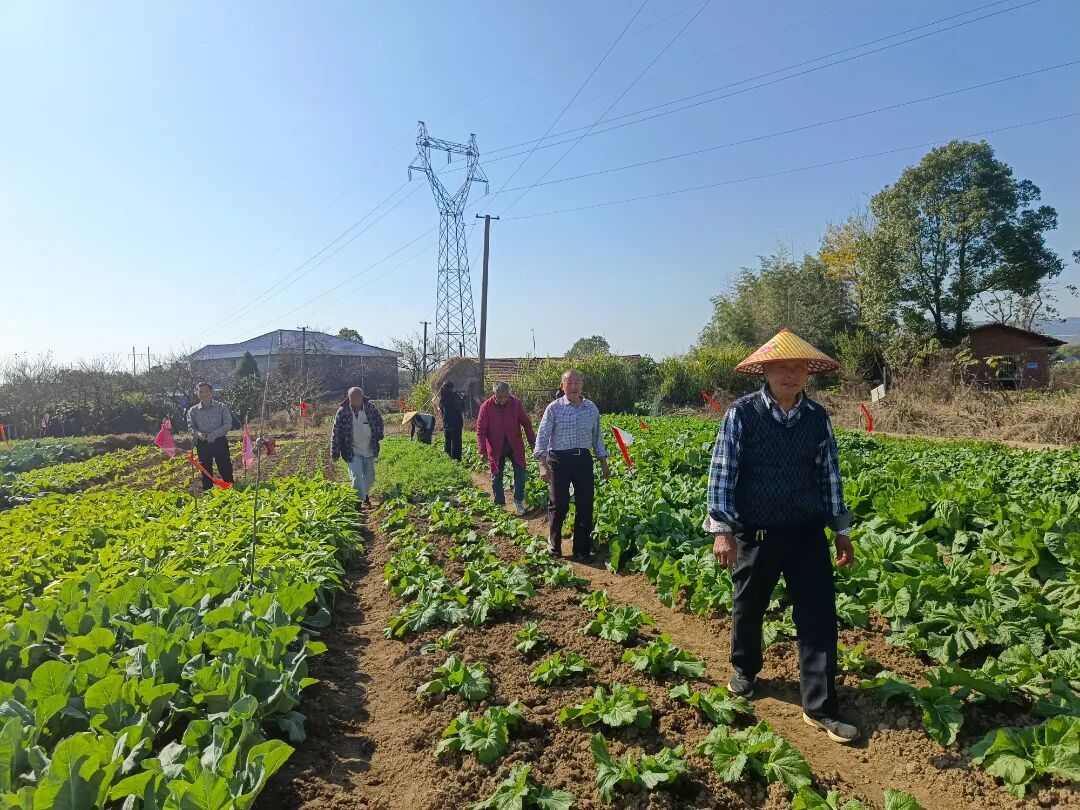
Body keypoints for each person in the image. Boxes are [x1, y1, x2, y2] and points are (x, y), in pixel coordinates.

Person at [704, 328, 858, 745]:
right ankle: (745, 669)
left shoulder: (817, 417)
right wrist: (722, 530)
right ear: (766, 372)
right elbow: (723, 472)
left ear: (808, 373)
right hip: (757, 532)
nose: (791, 374)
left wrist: (841, 530)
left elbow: (830, 475)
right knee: (749, 604)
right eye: (782, 367)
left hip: (807, 531)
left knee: (818, 616)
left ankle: (820, 706)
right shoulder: (741, 414)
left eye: (798, 367)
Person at [534, 369, 610, 563]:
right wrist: (542, 464)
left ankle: (581, 550)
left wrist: (603, 461)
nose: (574, 386)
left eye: (577, 383)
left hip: (583, 459)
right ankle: (554, 544)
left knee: (585, 504)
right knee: (559, 504)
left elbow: (597, 437)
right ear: (562, 386)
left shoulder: (591, 408)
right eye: (569, 383)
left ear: (582, 385)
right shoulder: (554, 408)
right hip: (559, 460)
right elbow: (542, 436)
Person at [476, 382, 536, 516]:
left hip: (514, 444)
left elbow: (526, 423)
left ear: (509, 395)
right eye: (499, 396)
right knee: (497, 475)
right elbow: (481, 430)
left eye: (505, 396)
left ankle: (518, 501)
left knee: (520, 473)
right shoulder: (486, 407)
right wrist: (482, 450)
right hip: (496, 446)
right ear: (494, 395)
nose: (502, 399)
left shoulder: (516, 404)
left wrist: (532, 442)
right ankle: (500, 504)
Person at [331, 386, 385, 507]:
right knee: (356, 475)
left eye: (357, 397)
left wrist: (379, 433)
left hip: (369, 448)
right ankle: (358, 501)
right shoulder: (343, 411)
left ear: (362, 397)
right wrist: (335, 451)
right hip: (351, 450)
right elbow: (336, 432)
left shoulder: (370, 408)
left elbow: (379, 421)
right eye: (352, 397)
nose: (355, 399)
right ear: (348, 398)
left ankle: (364, 494)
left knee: (370, 476)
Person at [186, 382, 235, 492]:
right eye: (201, 392)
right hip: (203, 444)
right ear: (197, 393)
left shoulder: (221, 407)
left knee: (225, 468)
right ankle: (208, 495)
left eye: (206, 391)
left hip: (219, 442)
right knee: (205, 471)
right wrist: (198, 434)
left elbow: (227, 424)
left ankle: (231, 491)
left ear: (212, 392)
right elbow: (191, 427)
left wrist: (215, 434)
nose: (204, 394)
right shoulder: (193, 411)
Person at [437, 380, 464, 461]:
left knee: (448, 446)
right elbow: (462, 408)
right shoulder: (453, 398)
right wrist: (461, 398)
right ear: (451, 388)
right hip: (455, 425)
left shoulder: (442, 399)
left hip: (447, 425)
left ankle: (448, 463)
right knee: (456, 447)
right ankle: (455, 463)